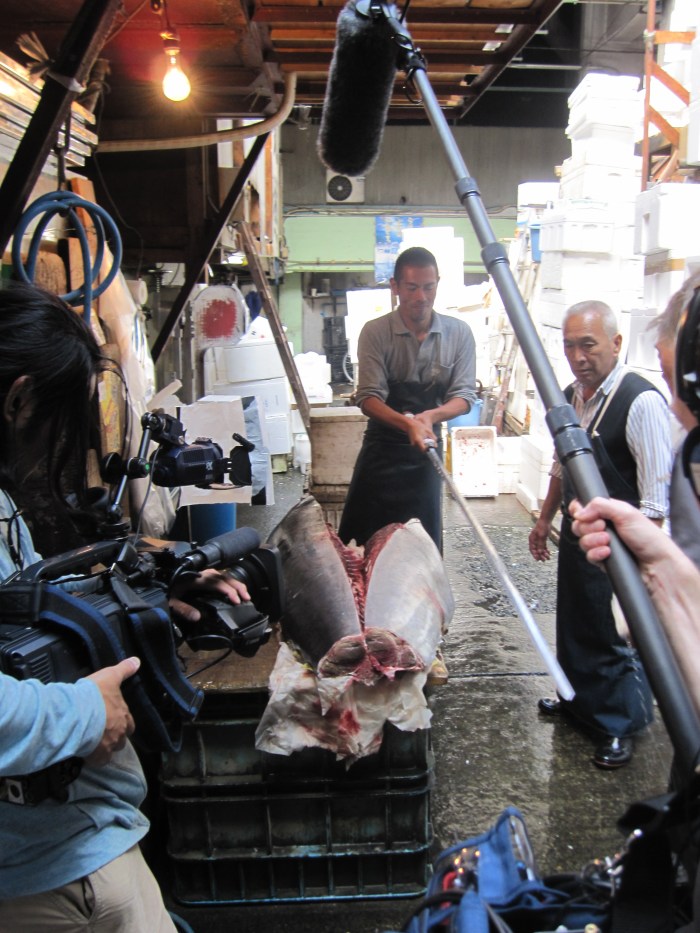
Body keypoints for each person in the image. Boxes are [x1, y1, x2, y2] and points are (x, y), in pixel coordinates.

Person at [0, 281, 249, 931]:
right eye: (58, 424)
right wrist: (84, 712)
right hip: (52, 873)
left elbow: (22, 616)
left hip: (66, 844)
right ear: (19, 400)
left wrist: (138, 596)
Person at [528, 299, 672, 769]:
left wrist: (639, 562)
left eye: (587, 345)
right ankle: (578, 704)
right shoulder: (574, 394)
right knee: (576, 623)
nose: (577, 356)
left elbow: (655, 498)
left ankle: (619, 724)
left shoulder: (640, 400)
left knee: (615, 634)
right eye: (569, 346)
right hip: (576, 532)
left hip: (620, 546)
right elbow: (559, 464)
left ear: (615, 343)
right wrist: (544, 516)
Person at [337, 246, 477, 551]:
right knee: (358, 549)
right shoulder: (375, 332)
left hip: (425, 454)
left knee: (420, 550)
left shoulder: (459, 333)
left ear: (438, 283)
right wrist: (406, 423)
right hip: (380, 455)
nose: (421, 297)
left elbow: (465, 395)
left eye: (429, 287)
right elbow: (368, 397)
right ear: (395, 286)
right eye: (412, 288)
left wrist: (429, 418)